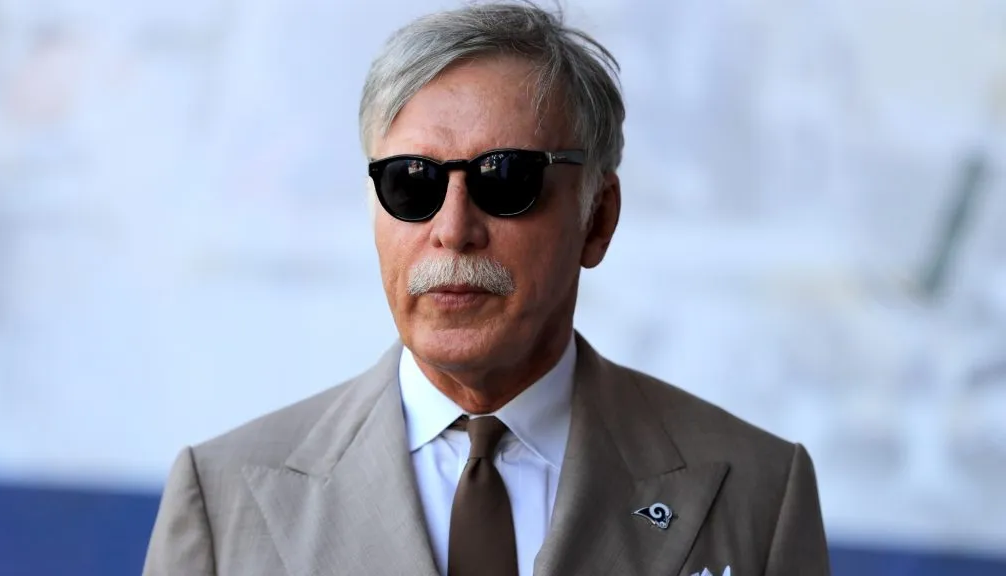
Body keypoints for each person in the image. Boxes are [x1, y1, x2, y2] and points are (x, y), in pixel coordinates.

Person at [143, 2, 830, 575]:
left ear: (598, 219)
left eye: (506, 179)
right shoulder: (222, 501)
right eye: (411, 183)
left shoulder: (759, 492)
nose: (453, 229)